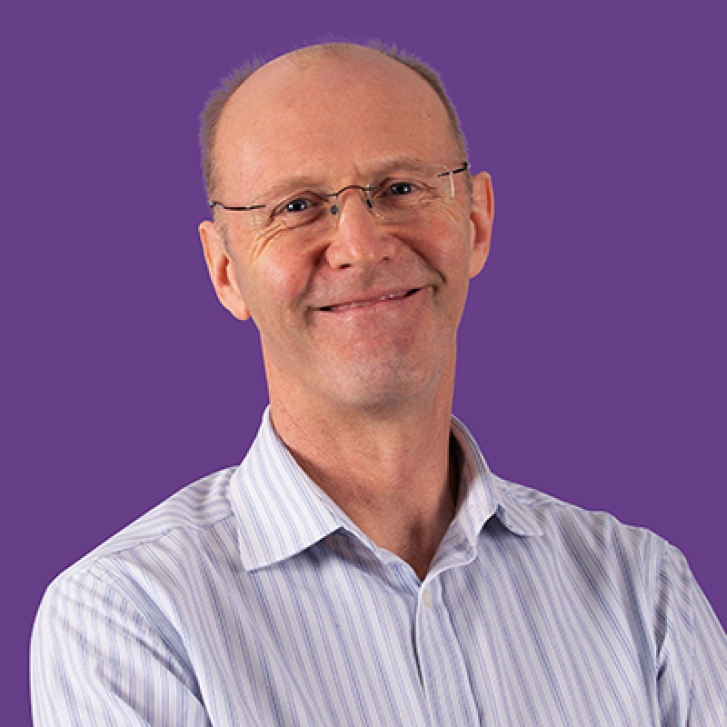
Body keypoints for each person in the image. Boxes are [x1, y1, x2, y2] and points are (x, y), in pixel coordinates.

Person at [31, 42, 726, 726]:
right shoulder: (130, 613)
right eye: (297, 205)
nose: (361, 246)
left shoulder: (642, 590)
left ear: (477, 221)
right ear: (225, 271)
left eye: (401, 189)